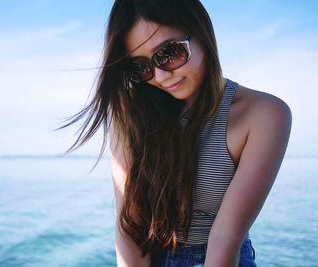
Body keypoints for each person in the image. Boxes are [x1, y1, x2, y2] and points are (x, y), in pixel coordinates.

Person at [59, 0, 292, 266]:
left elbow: (225, 238)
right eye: (141, 67)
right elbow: (129, 226)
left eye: (169, 53)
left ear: (201, 32)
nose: (159, 76)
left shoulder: (264, 113)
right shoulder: (131, 113)